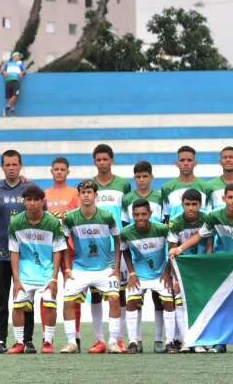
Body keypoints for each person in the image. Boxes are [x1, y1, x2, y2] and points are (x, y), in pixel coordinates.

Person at [176, 183, 233, 353]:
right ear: (224, 198)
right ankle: (220, 342)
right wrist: (180, 249)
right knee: (223, 305)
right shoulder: (214, 216)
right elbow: (200, 235)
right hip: (221, 266)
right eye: (230, 197)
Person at [60, 180, 130, 354]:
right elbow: (63, 244)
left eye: (89, 192)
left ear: (95, 195)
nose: (86, 195)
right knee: (68, 302)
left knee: (115, 299)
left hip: (104, 269)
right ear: (78, 195)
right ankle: (71, 343)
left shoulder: (106, 216)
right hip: (80, 269)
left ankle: (113, 341)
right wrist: (68, 269)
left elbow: (118, 239)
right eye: (83, 192)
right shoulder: (70, 218)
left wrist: (114, 267)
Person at [0, 149, 36, 354]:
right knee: (0, 298)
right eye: (8, 165)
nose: (12, 168)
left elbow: (42, 215)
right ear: (2, 167)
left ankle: (28, 340)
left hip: (26, 255)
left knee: (27, 298)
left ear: (21, 165)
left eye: (15, 164)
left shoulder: (31, 188)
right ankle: (0, 340)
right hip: (0, 253)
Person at [7, 186, 66, 354]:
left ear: (43, 201)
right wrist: (16, 280)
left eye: (36, 200)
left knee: (49, 305)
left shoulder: (53, 223)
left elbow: (58, 251)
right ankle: (19, 342)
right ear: (24, 202)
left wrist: (54, 279)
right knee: (18, 306)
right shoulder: (16, 222)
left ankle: (48, 342)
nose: (32, 203)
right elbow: (14, 252)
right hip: (25, 274)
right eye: (29, 200)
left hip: (47, 274)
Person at [91, 143, 132, 353]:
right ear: (94, 162)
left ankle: (118, 338)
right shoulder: (89, 186)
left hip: (118, 245)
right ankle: (99, 340)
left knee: (120, 293)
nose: (102, 163)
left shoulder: (124, 185)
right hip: (96, 247)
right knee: (96, 293)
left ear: (112, 160)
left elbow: (126, 217)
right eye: (98, 160)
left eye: (105, 159)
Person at [121, 199, 176, 354]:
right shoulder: (126, 232)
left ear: (150, 214)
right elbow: (124, 251)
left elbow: (172, 250)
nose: (140, 218)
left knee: (168, 304)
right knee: (131, 303)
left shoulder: (163, 229)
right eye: (137, 215)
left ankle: (167, 342)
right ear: (132, 215)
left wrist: (167, 272)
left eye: (144, 214)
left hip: (160, 275)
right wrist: (131, 273)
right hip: (139, 276)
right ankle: (133, 342)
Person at [167, 188, 212, 353]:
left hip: (200, 267)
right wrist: (175, 278)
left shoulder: (207, 218)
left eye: (194, 204)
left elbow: (209, 244)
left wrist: (207, 264)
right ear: (182, 204)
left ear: (200, 204)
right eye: (187, 204)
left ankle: (199, 340)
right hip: (182, 268)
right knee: (180, 304)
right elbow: (171, 251)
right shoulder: (176, 222)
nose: (191, 208)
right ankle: (186, 341)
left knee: (200, 303)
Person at [44, 157, 81, 349]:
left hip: (71, 250)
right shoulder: (44, 195)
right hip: (48, 251)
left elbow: (78, 220)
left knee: (72, 293)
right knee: (49, 292)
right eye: (56, 169)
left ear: (68, 172)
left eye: (62, 169)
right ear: (51, 171)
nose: (59, 172)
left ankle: (75, 336)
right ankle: (47, 338)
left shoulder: (75, 193)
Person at [162, 145, 211, 221]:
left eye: (189, 160)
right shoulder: (167, 188)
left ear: (195, 163)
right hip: (176, 231)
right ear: (177, 163)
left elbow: (209, 216)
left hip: (200, 232)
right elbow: (166, 217)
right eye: (182, 160)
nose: (186, 163)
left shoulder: (206, 188)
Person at [122, 161, 164, 225]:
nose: (141, 180)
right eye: (138, 177)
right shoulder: (127, 199)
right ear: (134, 178)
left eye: (145, 176)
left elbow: (164, 222)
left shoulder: (160, 197)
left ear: (151, 177)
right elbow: (125, 223)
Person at [1, 51, 25, 116]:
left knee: (15, 95)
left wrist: (22, 73)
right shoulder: (8, 63)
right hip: (8, 80)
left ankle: (6, 108)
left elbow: (24, 71)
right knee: (9, 96)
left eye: (19, 56)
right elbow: (2, 70)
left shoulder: (20, 63)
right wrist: (4, 72)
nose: (19, 57)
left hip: (16, 80)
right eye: (18, 56)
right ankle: (12, 109)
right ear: (14, 56)